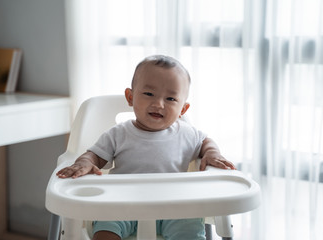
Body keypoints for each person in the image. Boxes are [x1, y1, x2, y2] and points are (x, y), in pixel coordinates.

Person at [57, 55, 236, 240]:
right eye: (149, 94)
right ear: (130, 97)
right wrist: (84, 162)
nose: (158, 104)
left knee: (189, 229)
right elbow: (94, 155)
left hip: (175, 207)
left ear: (183, 109)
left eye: (171, 98)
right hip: (122, 204)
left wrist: (213, 153)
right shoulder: (118, 134)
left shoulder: (187, 134)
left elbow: (206, 142)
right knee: (105, 230)